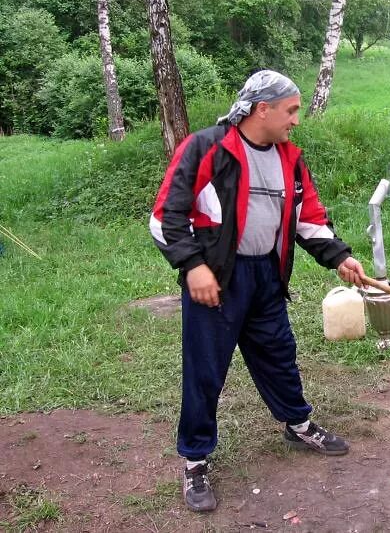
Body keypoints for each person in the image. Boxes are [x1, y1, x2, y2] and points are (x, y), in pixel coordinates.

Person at [149, 70, 365, 512]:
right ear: (262, 109)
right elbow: (164, 217)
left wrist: (339, 256)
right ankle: (194, 458)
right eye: (291, 111)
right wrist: (193, 267)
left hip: (266, 275)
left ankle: (297, 422)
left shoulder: (289, 158)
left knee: (278, 352)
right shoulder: (208, 148)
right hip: (218, 281)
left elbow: (308, 218)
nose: (296, 121)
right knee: (206, 370)